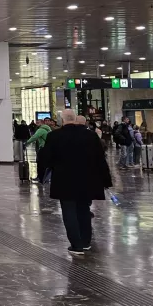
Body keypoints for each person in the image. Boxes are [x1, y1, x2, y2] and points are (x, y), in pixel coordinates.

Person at [41, 109, 112, 256]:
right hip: (87, 179)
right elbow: (100, 159)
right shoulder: (91, 136)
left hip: (64, 180)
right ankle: (86, 242)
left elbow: (46, 159)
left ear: (62, 120)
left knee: (69, 211)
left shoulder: (54, 136)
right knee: (83, 210)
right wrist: (106, 180)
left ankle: (76, 244)